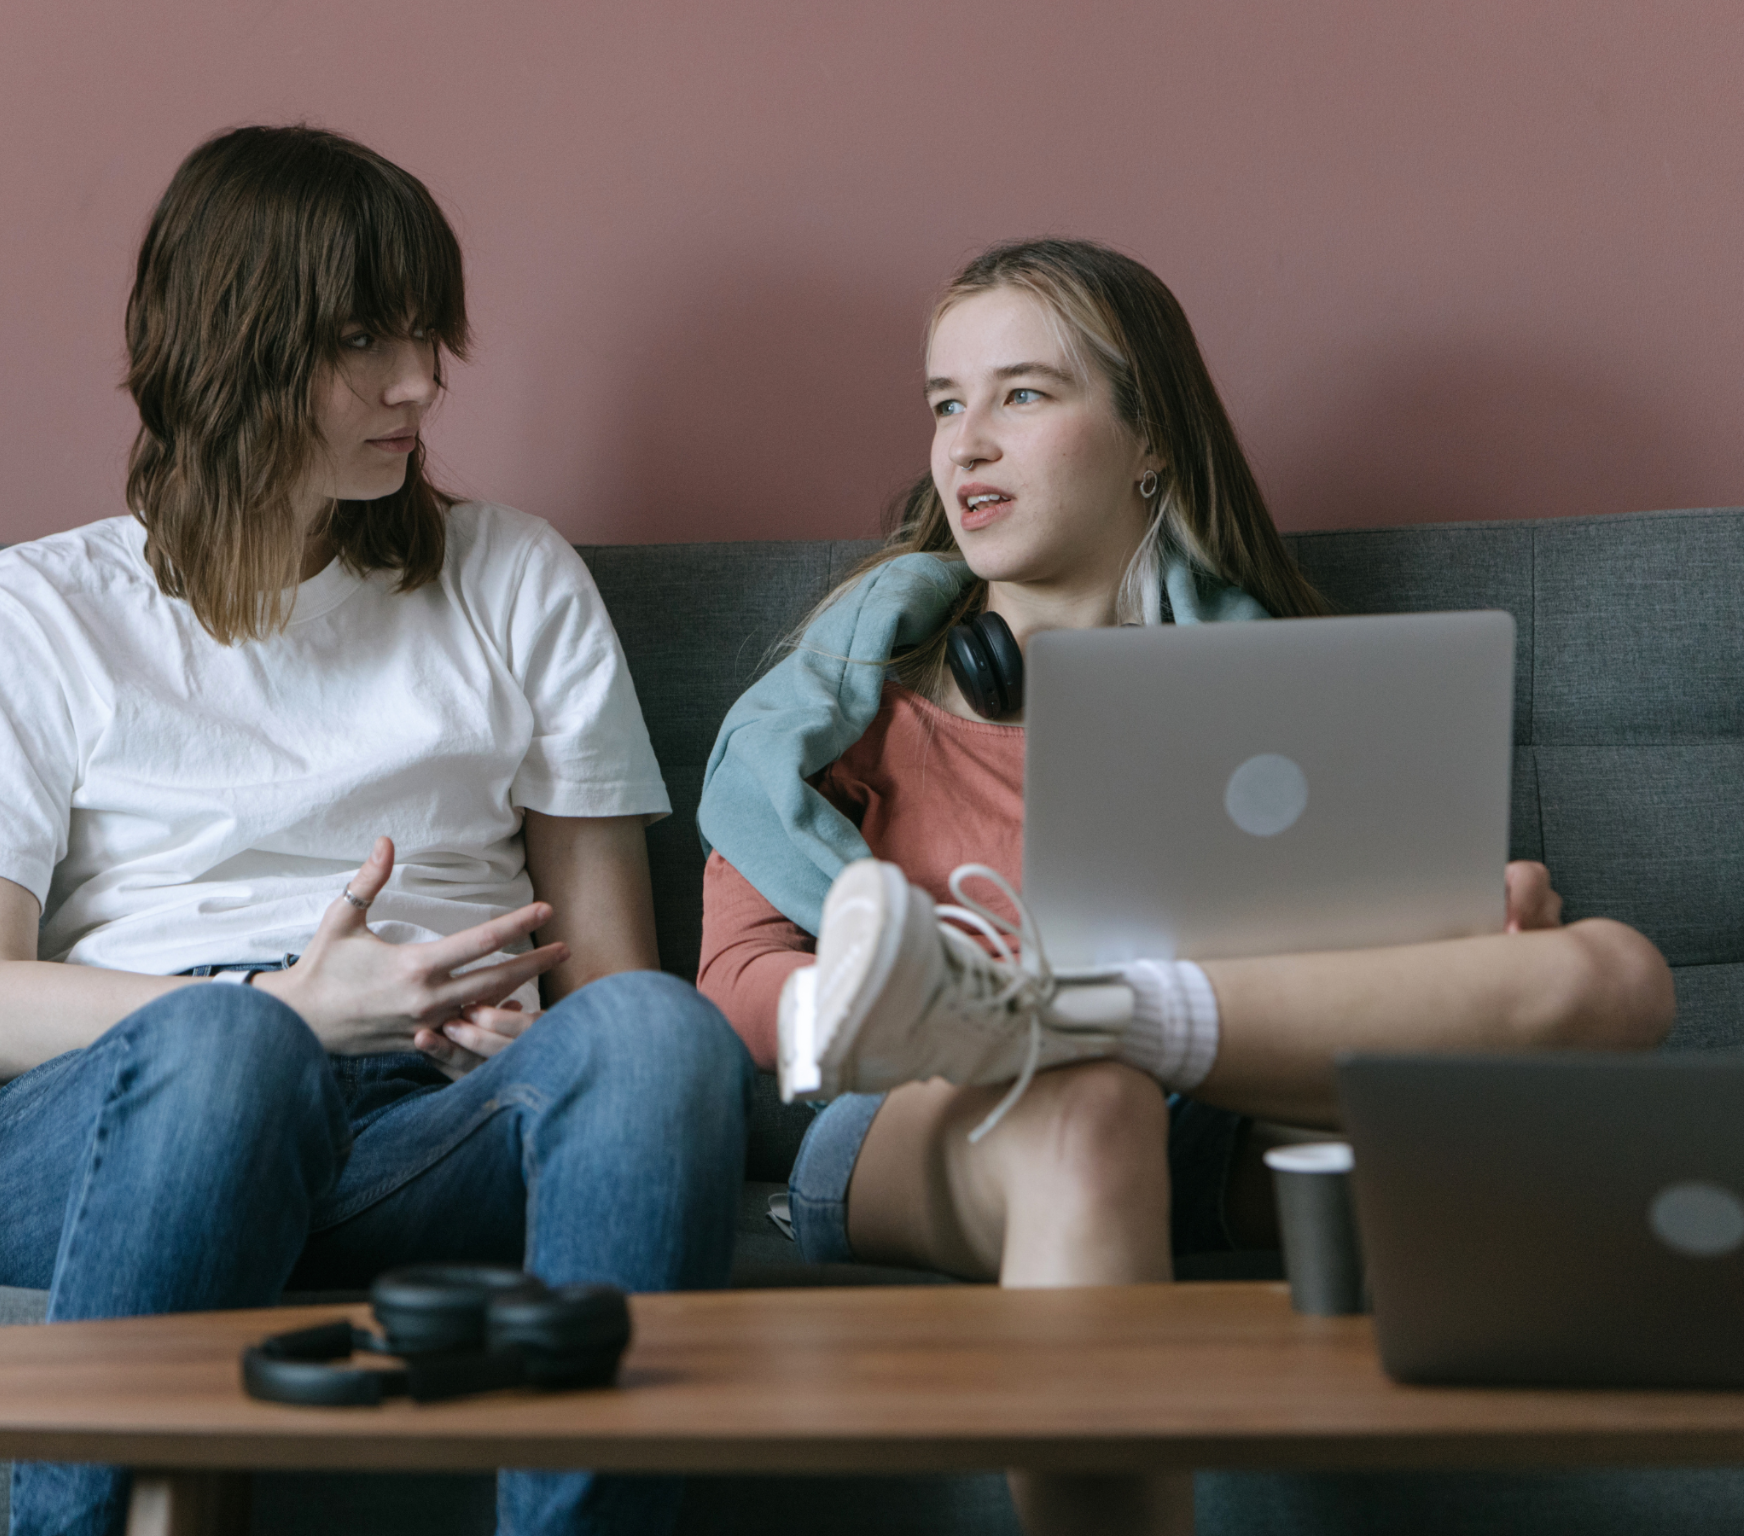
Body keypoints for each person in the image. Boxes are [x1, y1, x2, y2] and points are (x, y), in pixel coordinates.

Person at [696, 238, 1675, 1535]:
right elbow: (737, 976)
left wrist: (1467, 936)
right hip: (927, 1120)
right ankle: (1038, 1029)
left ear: (1150, 439)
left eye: (1024, 395)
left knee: (1613, 971)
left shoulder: (1282, 694)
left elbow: (1386, 981)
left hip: (1218, 1087)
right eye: (946, 403)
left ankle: (1064, 1007)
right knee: (1089, 1102)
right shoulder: (840, 708)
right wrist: (883, 1008)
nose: (967, 443)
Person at [0, 124, 752, 1536]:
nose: (421, 384)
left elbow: (614, 983)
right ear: (232, 351)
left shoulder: (514, 576)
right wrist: (293, 1009)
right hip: (130, 1128)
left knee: (660, 1038)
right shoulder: (28, 614)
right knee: (234, 1047)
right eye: (365, 342)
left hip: (431, 1125)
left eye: (426, 334)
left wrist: (530, 1035)